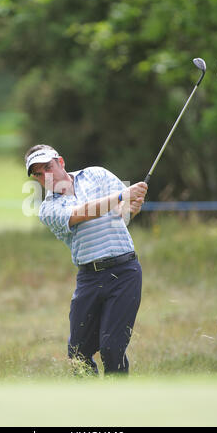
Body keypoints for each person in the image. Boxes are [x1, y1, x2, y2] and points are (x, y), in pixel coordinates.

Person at [25, 144, 148, 376]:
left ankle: (118, 404)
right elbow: (83, 213)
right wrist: (123, 196)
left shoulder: (96, 174)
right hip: (89, 278)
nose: (46, 176)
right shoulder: (48, 208)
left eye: (48, 167)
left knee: (112, 348)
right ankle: (88, 405)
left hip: (125, 272)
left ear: (60, 162)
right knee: (78, 354)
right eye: (38, 174)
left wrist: (131, 206)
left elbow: (122, 212)